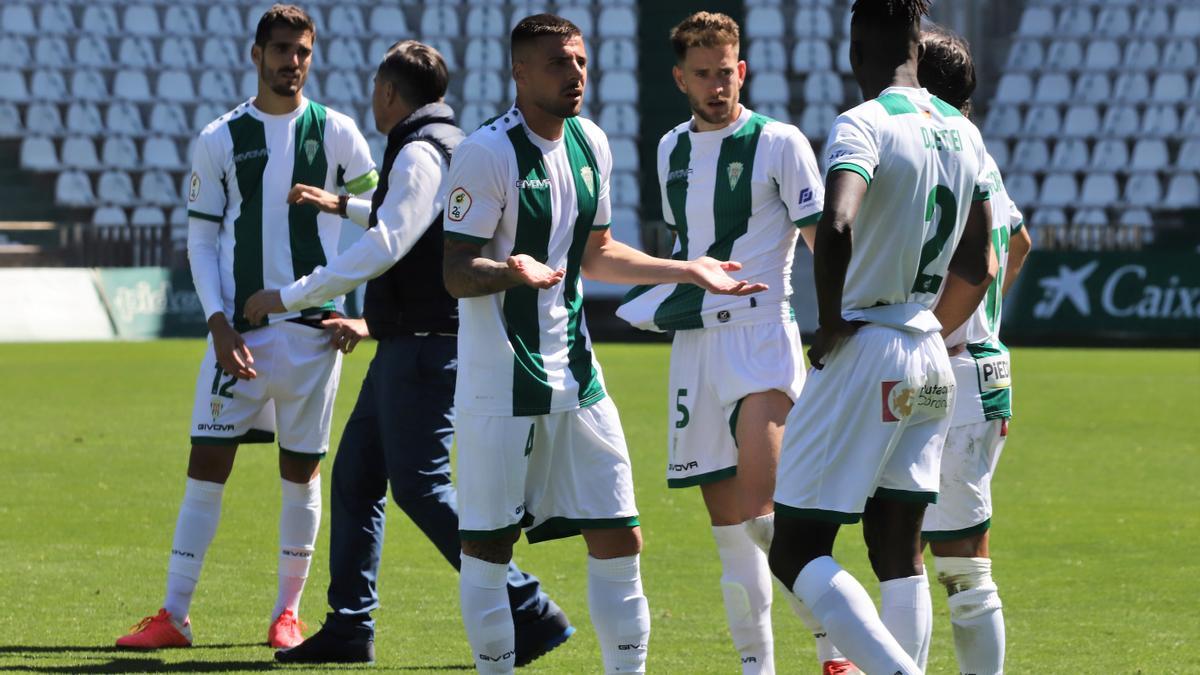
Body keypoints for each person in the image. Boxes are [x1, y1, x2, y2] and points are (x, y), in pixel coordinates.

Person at [443, 13, 767, 674]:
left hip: (578, 376)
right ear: (520, 72)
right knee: (489, 544)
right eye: (559, 64)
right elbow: (453, 271)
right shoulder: (485, 153)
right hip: (498, 385)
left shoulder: (591, 141)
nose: (576, 76)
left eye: (582, 62)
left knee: (622, 533)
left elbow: (599, 255)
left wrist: (688, 267)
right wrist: (511, 269)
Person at [239, 40, 573, 666]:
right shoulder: (446, 141)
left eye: (375, 86)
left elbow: (393, 239)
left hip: (425, 346)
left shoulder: (419, 150)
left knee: (421, 488)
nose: (372, 97)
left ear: (390, 92)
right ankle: (349, 627)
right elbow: (413, 219)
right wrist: (341, 203)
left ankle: (527, 606)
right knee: (358, 476)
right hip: (411, 340)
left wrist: (287, 295)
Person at [115, 4, 378, 650]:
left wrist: (361, 309)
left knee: (301, 472)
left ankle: (286, 614)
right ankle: (174, 615)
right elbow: (201, 240)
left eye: (303, 51)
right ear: (256, 54)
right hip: (240, 338)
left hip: (318, 336)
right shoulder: (221, 136)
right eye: (282, 49)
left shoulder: (339, 133)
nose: (293, 62)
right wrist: (217, 325)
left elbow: (388, 223)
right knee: (206, 461)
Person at [767, 0, 998, 672]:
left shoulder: (861, 124)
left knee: (795, 547)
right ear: (917, 51)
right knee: (898, 549)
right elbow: (979, 261)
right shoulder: (961, 128)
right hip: (930, 348)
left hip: (868, 340)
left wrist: (832, 321)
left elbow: (836, 222)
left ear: (853, 50)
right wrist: (929, 325)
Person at [615, 11, 843, 675]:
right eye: (704, 74)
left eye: (728, 72)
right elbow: (684, 249)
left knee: (767, 516)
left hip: (762, 336)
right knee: (733, 539)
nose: (719, 85)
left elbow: (821, 243)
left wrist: (839, 323)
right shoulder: (669, 150)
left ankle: (836, 649)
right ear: (681, 78)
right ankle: (756, 666)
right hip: (696, 349)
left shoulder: (780, 142)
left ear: (742, 69)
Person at [918, 27, 1032, 675]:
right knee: (951, 558)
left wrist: (943, 325)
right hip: (981, 366)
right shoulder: (976, 150)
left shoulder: (937, 150)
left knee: (941, 559)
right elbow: (1019, 244)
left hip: (947, 366)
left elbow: (992, 258)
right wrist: (985, 320)